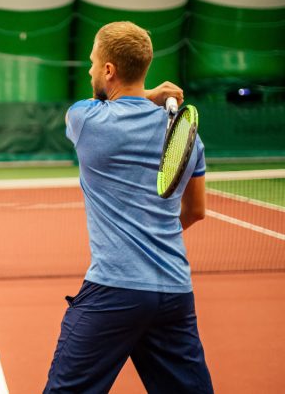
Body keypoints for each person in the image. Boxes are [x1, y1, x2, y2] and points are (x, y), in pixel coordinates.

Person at [43, 22, 213, 393]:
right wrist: (150, 96)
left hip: (113, 291)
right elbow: (196, 210)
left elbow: (114, 102)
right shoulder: (185, 135)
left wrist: (148, 94)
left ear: (108, 70)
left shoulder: (85, 120)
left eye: (93, 62)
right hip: (174, 293)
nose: (90, 70)